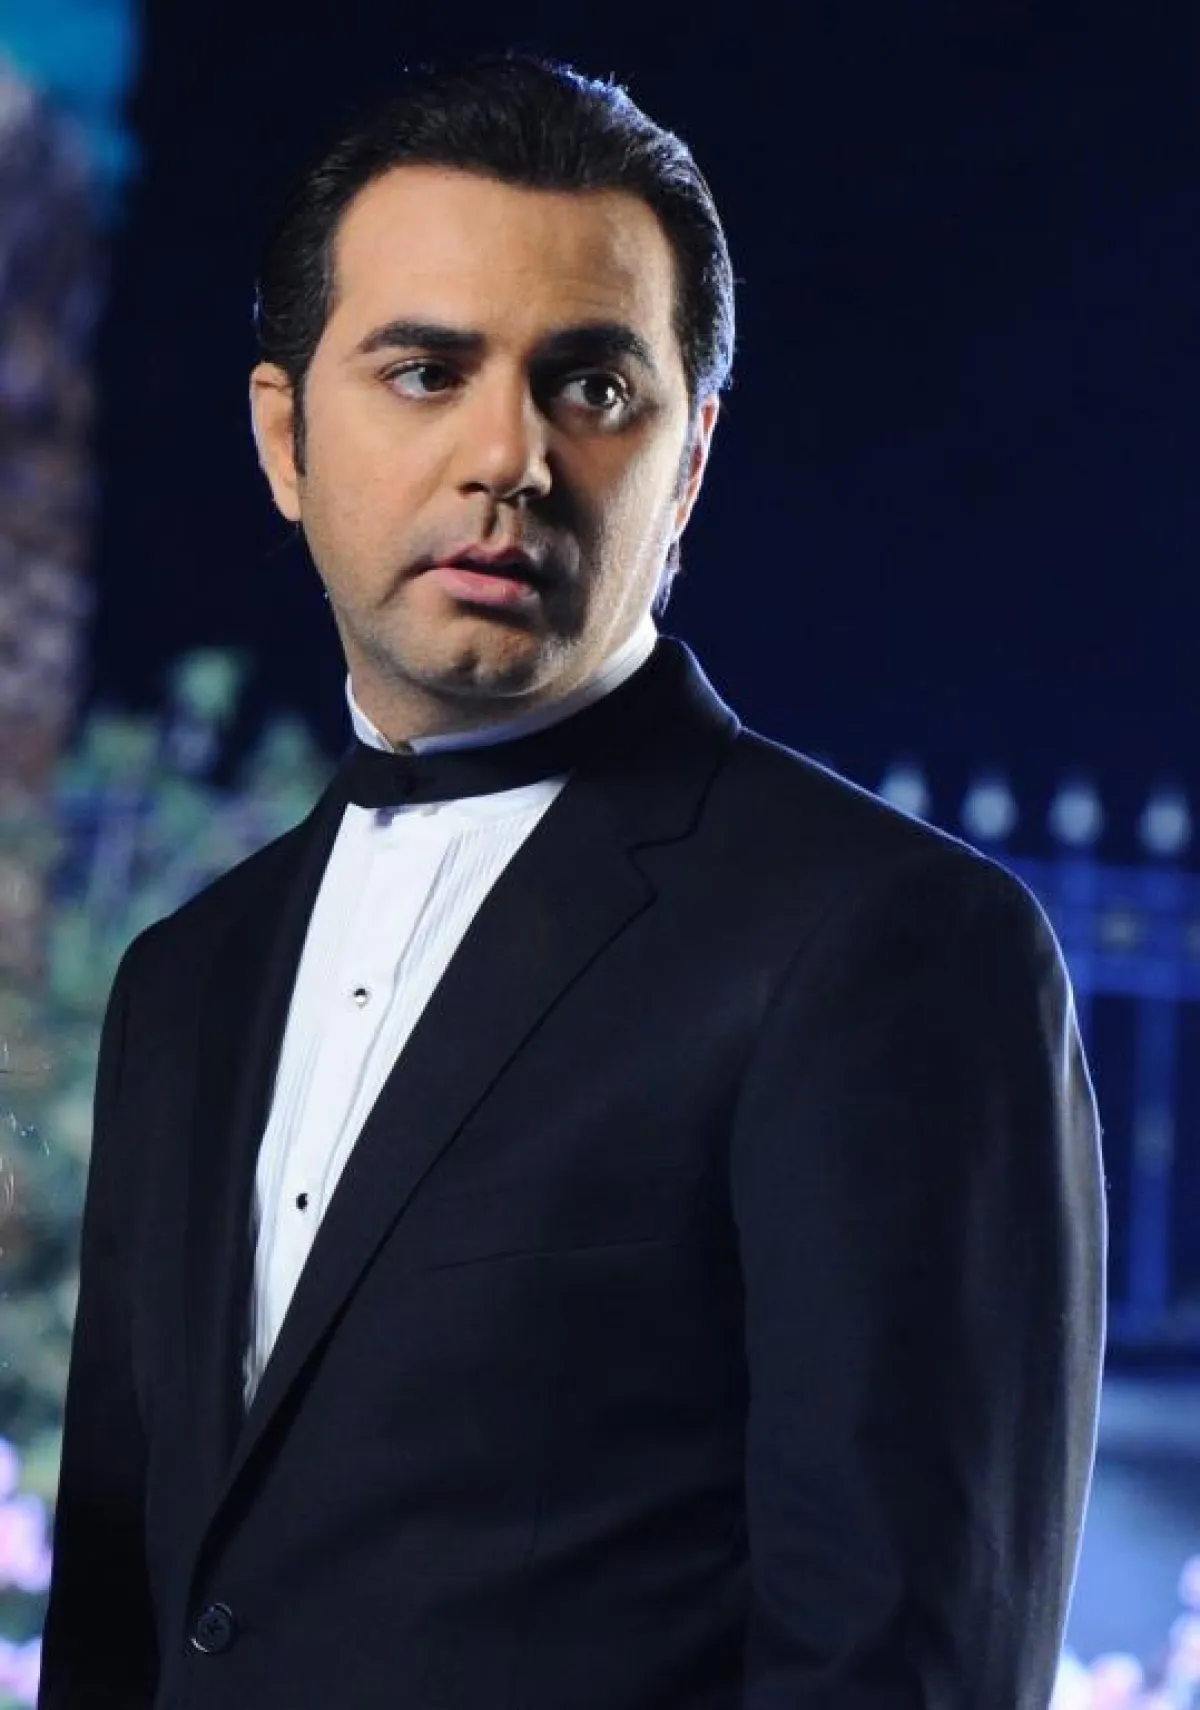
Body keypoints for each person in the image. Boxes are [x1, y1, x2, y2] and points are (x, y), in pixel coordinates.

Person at [39, 52, 1106, 1710]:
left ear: (689, 465)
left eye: (593, 385)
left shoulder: (891, 942)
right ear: (283, 435)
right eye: (425, 370)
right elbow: (124, 1617)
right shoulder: (184, 976)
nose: (510, 457)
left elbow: (902, 1668)